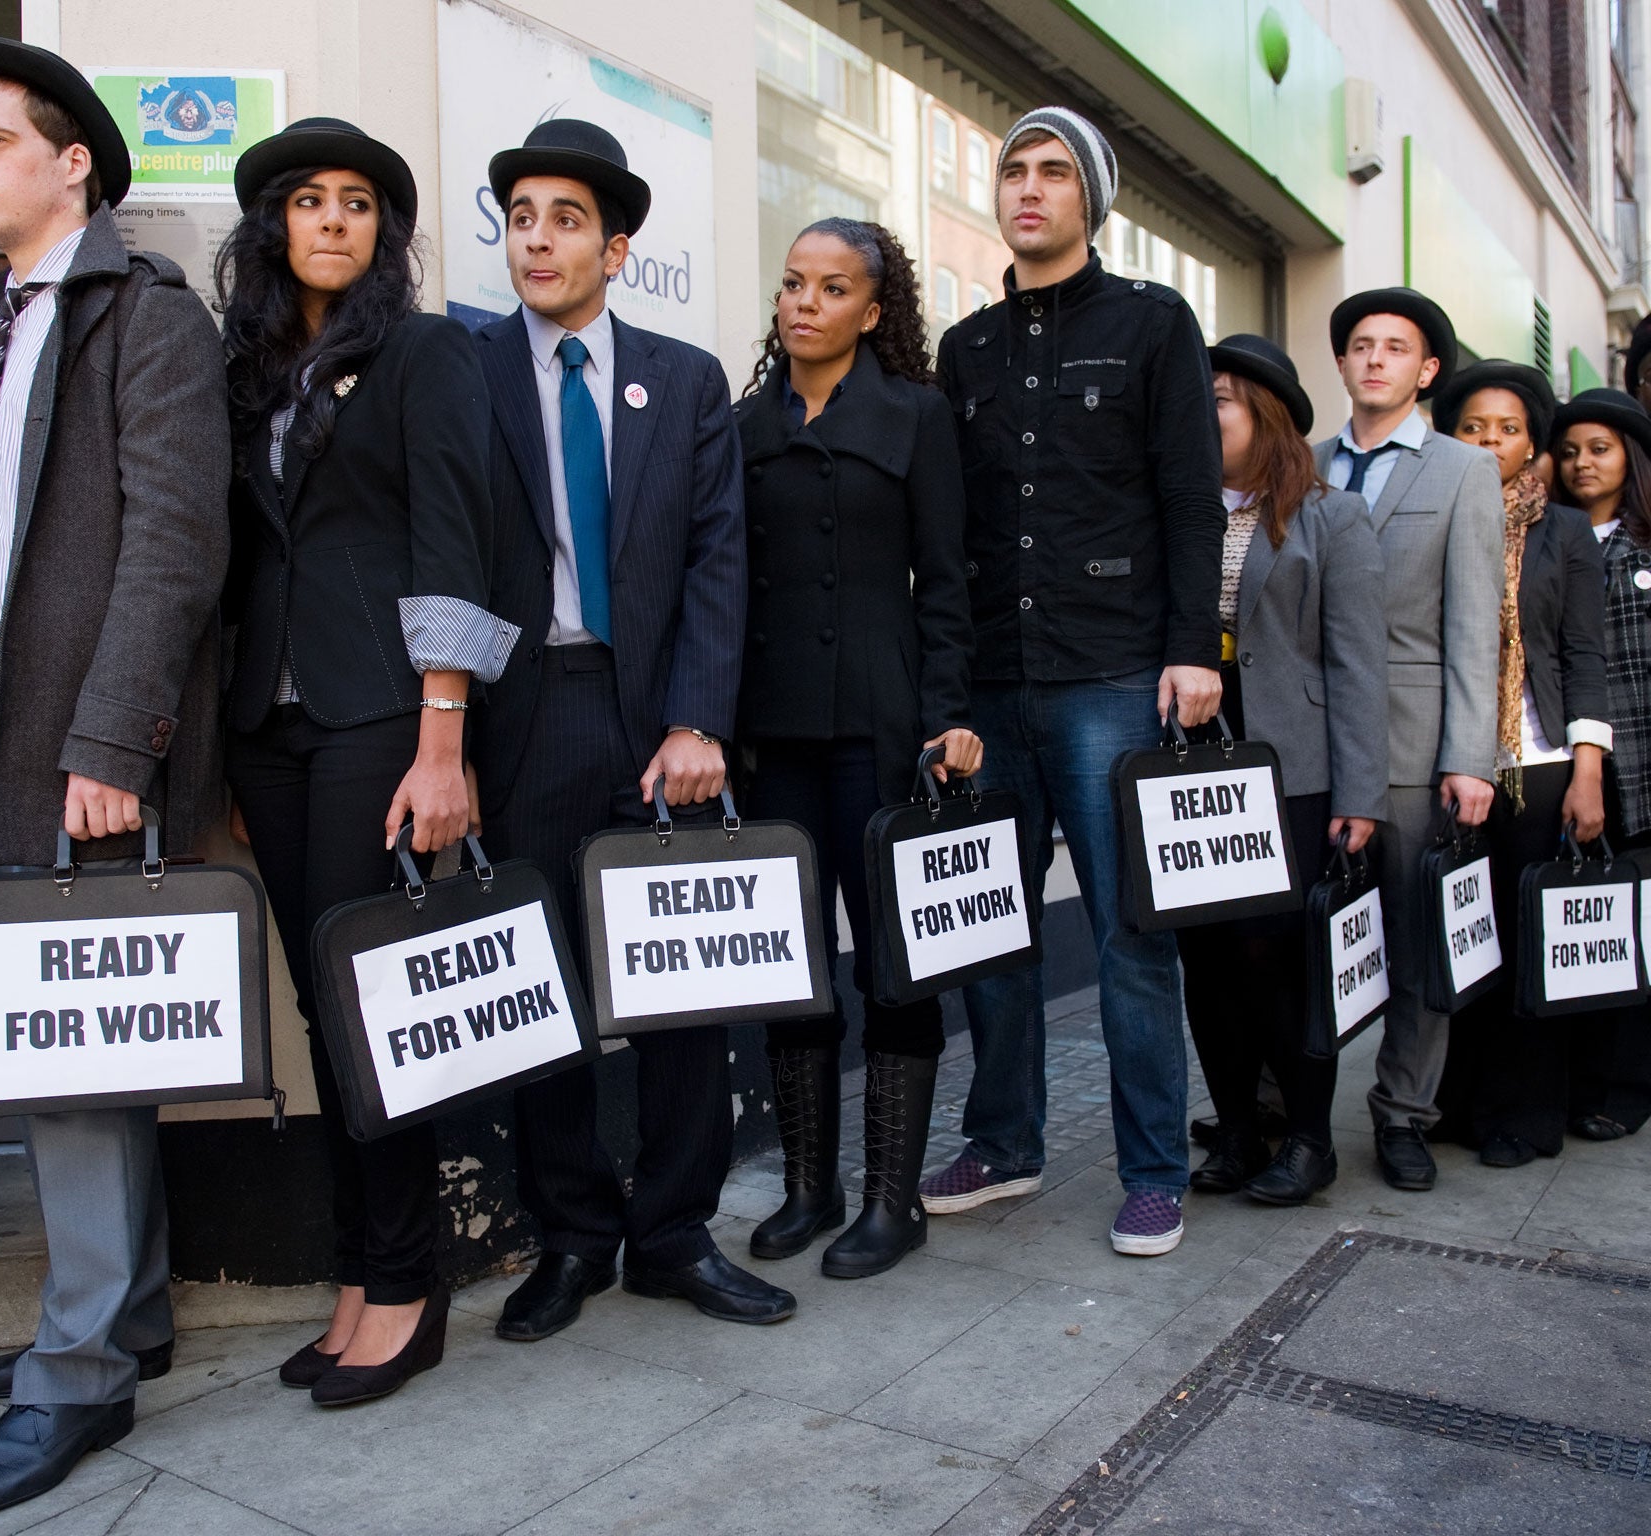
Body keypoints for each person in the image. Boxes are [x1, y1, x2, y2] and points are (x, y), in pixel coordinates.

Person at [0, 39, 231, 1520]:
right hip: (6, 727)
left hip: (85, 739)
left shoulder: (143, 318)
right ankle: (125, 1312)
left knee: (75, 1066)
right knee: (66, 1053)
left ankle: (79, 1369)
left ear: (73, 160)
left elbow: (174, 542)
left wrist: (112, 744)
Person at [471, 119, 794, 1335]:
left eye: (564, 220)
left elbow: (720, 556)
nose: (537, 238)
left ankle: (670, 1233)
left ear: (615, 248)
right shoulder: (470, 370)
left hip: (659, 713)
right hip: (527, 711)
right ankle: (571, 1235)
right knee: (537, 984)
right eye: (520, 218)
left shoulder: (685, 377)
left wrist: (697, 717)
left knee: (683, 984)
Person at [218, 117, 511, 1405]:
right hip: (268, 727)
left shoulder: (425, 351)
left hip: (378, 720)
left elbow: (455, 534)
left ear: (383, 232)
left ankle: (405, 1286)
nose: (332, 220)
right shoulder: (251, 370)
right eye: (307, 201)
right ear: (272, 226)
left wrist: (440, 738)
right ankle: (357, 1270)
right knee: (317, 1014)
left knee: (368, 1010)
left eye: (357, 203)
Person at [925, 107, 1224, 1257]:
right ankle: (1004, 1142)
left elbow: (1191, 500)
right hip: (994, 681)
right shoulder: (968, 349)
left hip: (1114, 676)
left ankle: (1152, 1169)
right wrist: (947, 695)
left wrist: (1189, 648)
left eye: (1054, 172)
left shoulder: (1152, 324)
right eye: (1013, 170)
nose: (1028, 189)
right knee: (989, 929)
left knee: (1127, 936)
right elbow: (949, 538)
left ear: (1089, 199)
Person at [733, 218, 978, 1276]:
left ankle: (891, 1200)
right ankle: (805, 1187)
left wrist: (947, 715)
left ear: (871, 313)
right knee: (791, 968)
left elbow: (948, 582)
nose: (803, 303)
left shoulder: (916, 418)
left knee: (890, 964)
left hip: (884, 732)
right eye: (792, 283)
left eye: (830, 289)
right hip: (771, 735)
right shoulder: (741, 425)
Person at [1175, 336, 1388, 1205]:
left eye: (1217, 397)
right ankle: (1234, 1130)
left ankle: (1306, 1140)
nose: (1201, 412)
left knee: (1282, 963)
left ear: (1264, 415)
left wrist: (1360, 795)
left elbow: (1359, 664)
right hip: (1188, 778)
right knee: (1210, 964)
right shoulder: (1174, 512)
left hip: (1295, 773)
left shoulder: (1332, 516)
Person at [1313, 289, 1504, 1192]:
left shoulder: (1464, 471)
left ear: (1427, 371)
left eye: (1396, 348)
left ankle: (1402, 1117)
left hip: (1416, 745)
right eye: (1360, 345)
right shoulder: (1303, 468)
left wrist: (1470, 756)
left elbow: (1475, 624)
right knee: (1305, 936)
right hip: (1311, 746)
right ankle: (1286, 1108)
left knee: (1415, 936)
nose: (1376, 359)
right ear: (1343, 364)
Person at [1430, 364, 1610, 1166]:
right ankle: (1457, 1102)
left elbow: (1584, 653)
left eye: (1508, 429)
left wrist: (1588, 769)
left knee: (1530, 945)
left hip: (1536, 763)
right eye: (1474, 427)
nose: (1491, 442)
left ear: (1531, 441)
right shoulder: (1434, 514)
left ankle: (1526, 1117)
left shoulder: (1564, 532)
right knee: (1465, 940)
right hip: (1454, 764)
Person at [1548, 387, 1651, 1140]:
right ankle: (1575, 1077)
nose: (1585, 463)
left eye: (1602, 448)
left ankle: (1626, 1087)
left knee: (1635, 926)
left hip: (1641, 763)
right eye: (1574, 449)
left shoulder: (1643, 543)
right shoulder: (1547, 538)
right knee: (1577, 920)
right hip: (1572, 756)